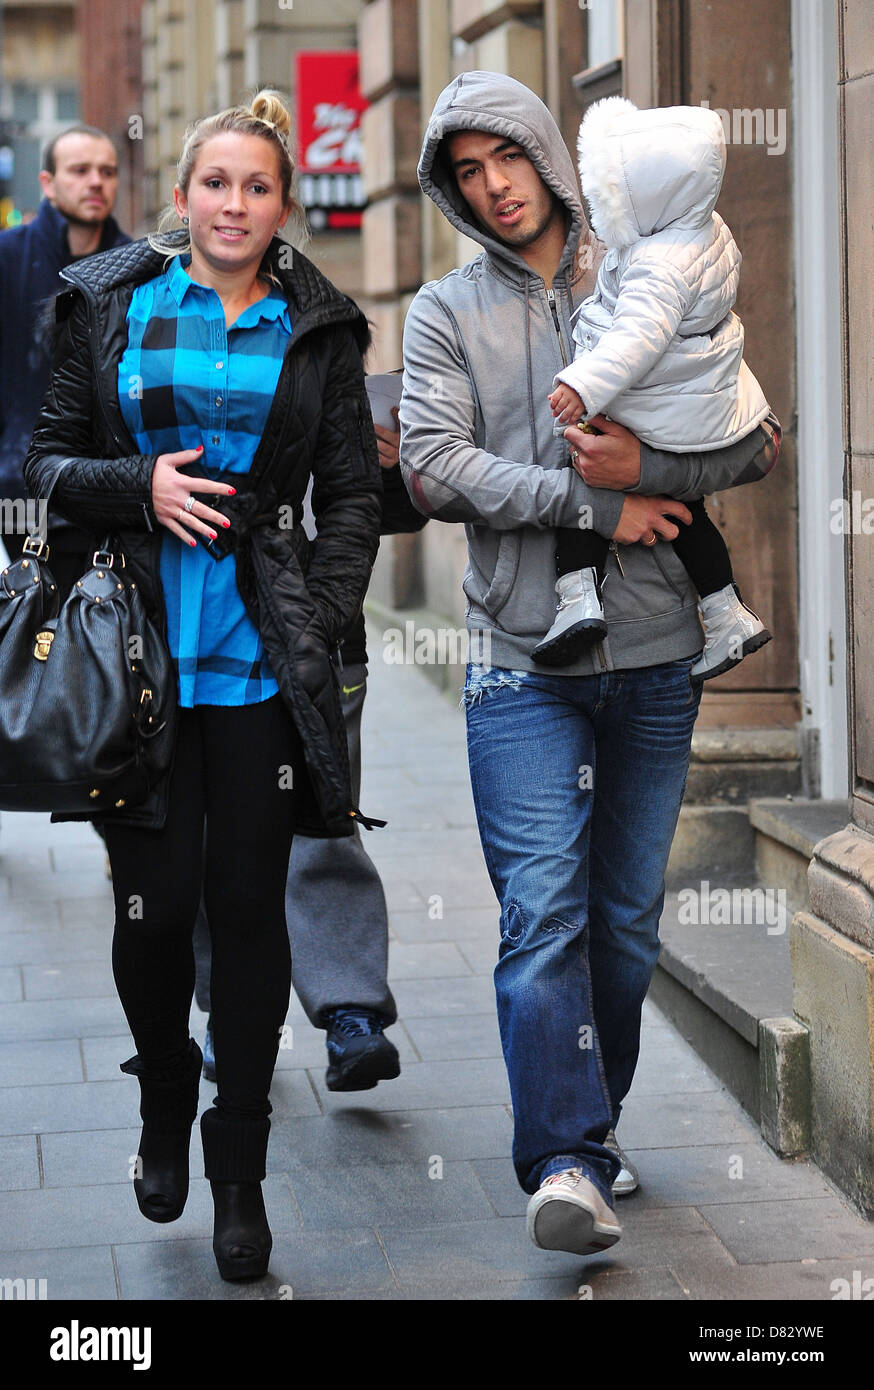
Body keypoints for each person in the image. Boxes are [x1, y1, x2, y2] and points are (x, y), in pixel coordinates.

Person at [399, 71, 781, 1257]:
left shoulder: (661, 261)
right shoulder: (443, 309)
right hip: (522, 662)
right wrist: (582, 499)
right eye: (464, 172)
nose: (492, 186)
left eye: (503, 158)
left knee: (621, 923)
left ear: (548, 156)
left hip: (660, 657)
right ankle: (560, 1154)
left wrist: (645, 480)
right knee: (542, 916)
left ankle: (591, 1133)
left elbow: (759, 440)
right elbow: (429, 464)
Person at [24, 90, 382, 1282]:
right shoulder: (109, 305)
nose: (234, 204)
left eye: (258, 187)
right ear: (181, 198)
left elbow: (352, 499)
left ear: (284, 208)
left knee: (246, 912)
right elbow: (42, 467)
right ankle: (161, 1104)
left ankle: (239, 1174)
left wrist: (318, 622)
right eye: (214, 184)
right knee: (154, 910)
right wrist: (145, 490)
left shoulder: (317, 328)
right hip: (138, 666)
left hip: (260, 670)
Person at [193, 404, 427, 1093]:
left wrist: (388, 466)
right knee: (209, 836)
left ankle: (351, 1011)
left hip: (320, 641)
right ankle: (228, 1011)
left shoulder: (320, 332)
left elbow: (396, 511)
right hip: (192, 640)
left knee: (325, 821)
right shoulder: (154, 318)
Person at [536, 96, 772, 677]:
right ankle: (725, 613)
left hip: (655, 397)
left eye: (615, 192)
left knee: (584, 471)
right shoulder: (704, 229)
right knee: (687, 509)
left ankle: (576, 598)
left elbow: (636, 341)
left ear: (650, 193)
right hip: (693, 398)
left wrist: (582, 384)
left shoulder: (657, 263)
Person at [0, 125, 129, 600]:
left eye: (107, 171)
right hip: (18, 493)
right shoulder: (8, 257)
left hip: (112, 493)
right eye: (80, 170)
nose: (96, 181)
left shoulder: (138, 265)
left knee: (102, 645)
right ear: (48, 182)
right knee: (28, 641)